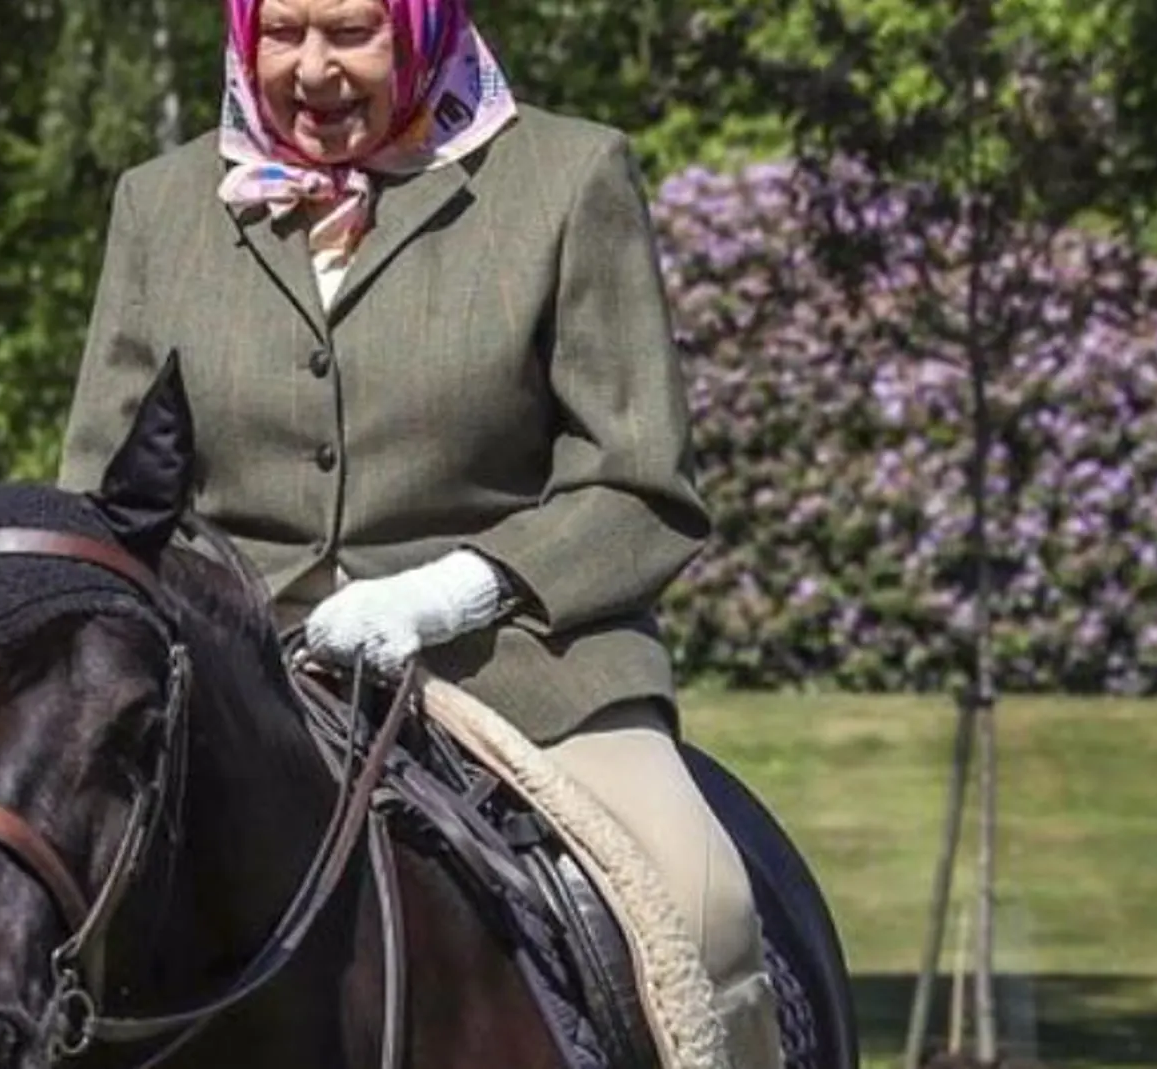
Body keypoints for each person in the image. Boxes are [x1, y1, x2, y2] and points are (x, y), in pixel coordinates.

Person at [54, 1, 781, 1066]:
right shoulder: (160, 205)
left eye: (350, 32)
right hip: (235, 686)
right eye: (282, 33)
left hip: (527, 669)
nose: (310, 69)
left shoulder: (568, 180)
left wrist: (451, 593)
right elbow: (105, 498)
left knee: (703, 904)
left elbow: (642, 486)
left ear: (425, 24)